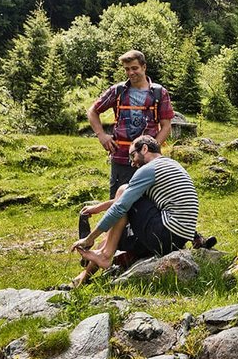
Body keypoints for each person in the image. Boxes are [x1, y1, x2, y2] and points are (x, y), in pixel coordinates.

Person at [69, 135, 206, 288]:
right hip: (177, 240)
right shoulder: (171, 165)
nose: (132, 162)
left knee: (123, 189)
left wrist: (90, 238)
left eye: (132, 155)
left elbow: (121, 205)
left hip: (164, 234)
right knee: (112, 238)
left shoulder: (149, 169)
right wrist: (99, 207)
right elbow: (129, 198)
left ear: (145, 148)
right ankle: (83, 277)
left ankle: (105, 255)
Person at [87, 49, 174, 196]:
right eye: (127, 69)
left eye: (134, 68)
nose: (131, 72)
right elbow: (92, 111)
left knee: (148, 202)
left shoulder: (159, 93)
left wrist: (151, 150)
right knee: (118, 202)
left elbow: (166, 126)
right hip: (120, 157)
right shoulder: (118, 91)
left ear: (144, 67)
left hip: (148, 163)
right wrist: (101, 135)